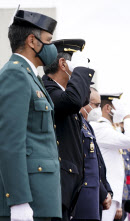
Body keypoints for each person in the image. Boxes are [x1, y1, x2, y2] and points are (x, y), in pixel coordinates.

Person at [0, 9, 61, 221]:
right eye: (48, 40)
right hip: (28, 200)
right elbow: (10, 141)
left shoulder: (29, 76)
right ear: (32, 41)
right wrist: (18, 200)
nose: (52, 47)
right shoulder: (15, 74)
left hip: (41, 198)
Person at [43, 39, 94, 220]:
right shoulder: (47, 89)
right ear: (63, 64)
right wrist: (80, 71)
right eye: (75, 61)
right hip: (55, 188)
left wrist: (80, 73)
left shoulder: (63, 93)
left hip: (67, 189)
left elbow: (82, 99)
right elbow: (74, 101)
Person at [90, 94, 130, 221]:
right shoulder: (100, 127)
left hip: (111, 194)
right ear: (108, 108)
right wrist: (127, 116)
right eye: (117, 108)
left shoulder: (108, 128)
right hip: (105, 194)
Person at [73, 87, 113, 220]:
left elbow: (98, 164)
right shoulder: (76, 124)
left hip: (95, 198)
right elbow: (85, 164)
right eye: (96, 105)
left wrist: (107, 191)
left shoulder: (87, 126)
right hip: (83, 198)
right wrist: (103, 193)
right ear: (85, 102)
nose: (98, 110)